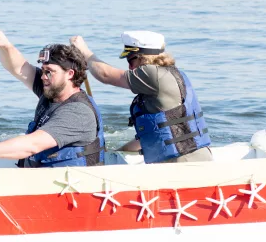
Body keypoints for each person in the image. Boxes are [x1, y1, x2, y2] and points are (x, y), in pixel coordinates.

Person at [0, 30, 105, 167]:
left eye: (49, 72)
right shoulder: (52, 90)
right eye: (43, 70)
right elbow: (18, 68)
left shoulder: (78, 113)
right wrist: (5, 45)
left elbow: (32, 145)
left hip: (71, 187)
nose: (43, 76)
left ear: (70, 74)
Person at [70, 31, 212, 164]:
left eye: (130, 60)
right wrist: (116, 153)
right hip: (191, 158)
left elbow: (106, 75)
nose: (130, 67)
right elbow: (155, 134)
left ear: (143, 57)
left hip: (181, 164)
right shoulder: (168, 74)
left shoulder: (152, 74)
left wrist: (85, 52)